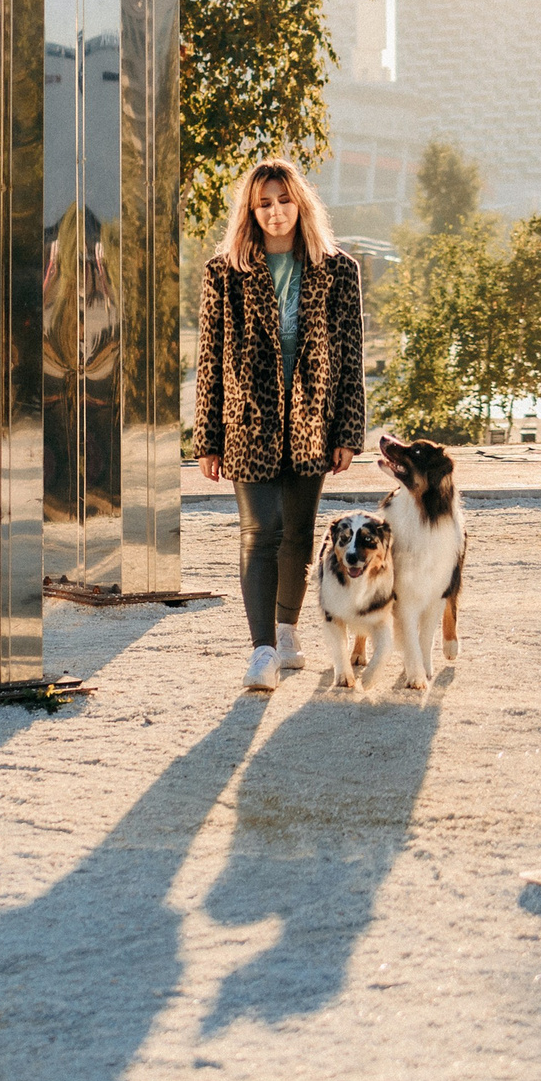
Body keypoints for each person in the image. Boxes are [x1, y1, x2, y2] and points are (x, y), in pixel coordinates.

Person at [194, 157, 365, 692]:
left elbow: (351, 358)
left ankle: (288, 634)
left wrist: (347, 433)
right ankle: (262, 650)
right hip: (247, 424)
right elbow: (209, 360)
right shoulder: (224, 273)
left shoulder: (338, 270)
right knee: (260, 532)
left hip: (313, 422)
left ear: (301, 203)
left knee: (297, 533)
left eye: (284, 201)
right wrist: (208, 438)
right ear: (251, 210)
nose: (275, 212)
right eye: (264, 203)